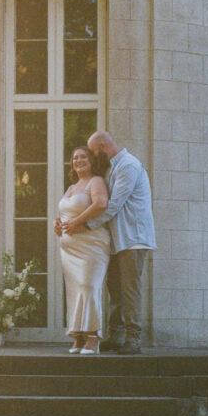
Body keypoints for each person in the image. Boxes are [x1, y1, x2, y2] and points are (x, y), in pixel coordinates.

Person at [67, 130, 156, 355]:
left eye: (95, 153)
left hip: (132, 238)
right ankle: (116, 336)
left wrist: (84, 226)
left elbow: (113, 205)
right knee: (115, 290)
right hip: (116, 240)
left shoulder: (128, 166)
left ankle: (133, 339)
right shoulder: (112, 168)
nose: (94, 159)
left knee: (129, 290)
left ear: (104, 146)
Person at [54, 146, 111, 355]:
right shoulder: (71, 187)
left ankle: (93, 336)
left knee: (89, 285)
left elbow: (101, 203)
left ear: (91, 161)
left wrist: (77, 221)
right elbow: (65, 212)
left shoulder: (96, 181)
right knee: (75, 289)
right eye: (75, 158)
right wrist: (57, 223)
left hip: (92, 244)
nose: (79, 161)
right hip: (69, 247)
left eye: (83, 157)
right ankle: (78, 335)